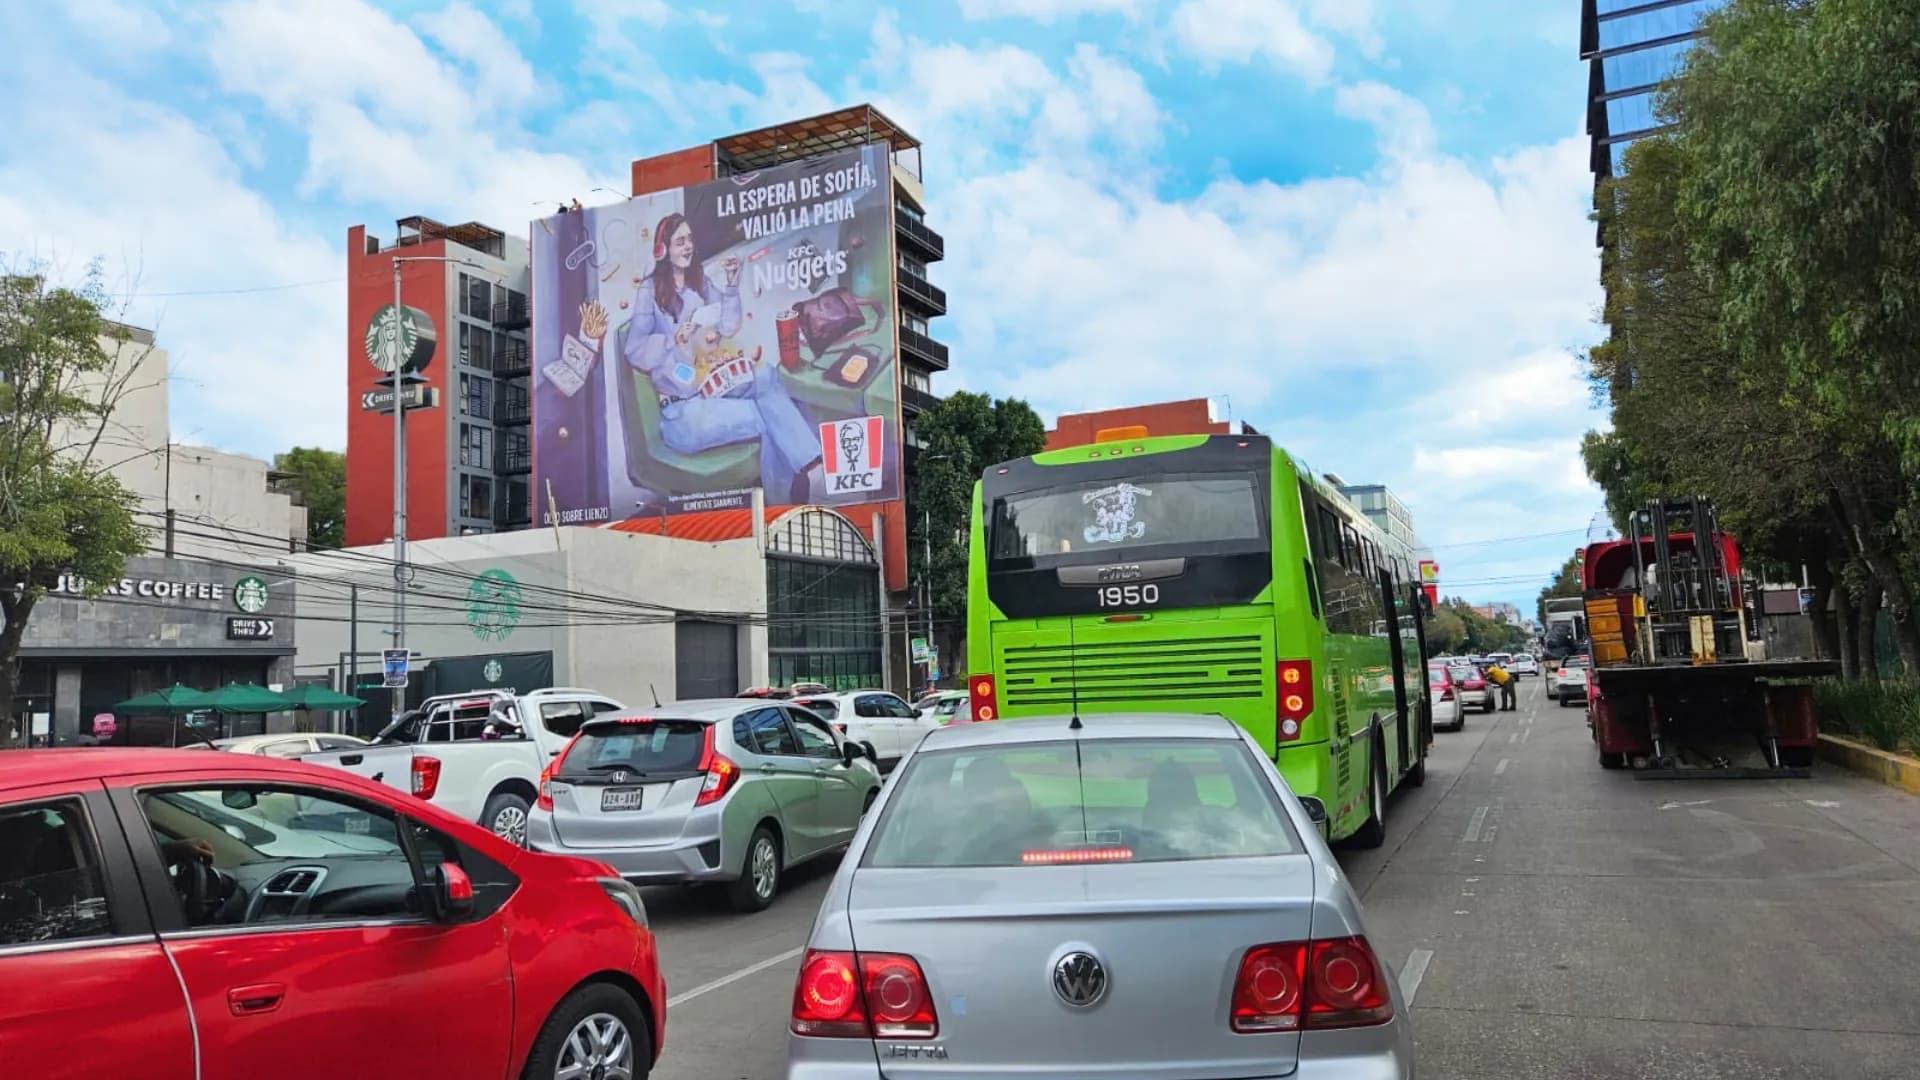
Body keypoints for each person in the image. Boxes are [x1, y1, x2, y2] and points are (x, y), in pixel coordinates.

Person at [579, 212, 825, 504]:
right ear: (663, 249)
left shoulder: (699, 280)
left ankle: (800, 481)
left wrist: (732, 286)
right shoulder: (650, 290)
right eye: (679, 241)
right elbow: (635, 350)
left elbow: (729, 324)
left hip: (708, 388)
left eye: (690, 240)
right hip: (682, 413)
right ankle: (798, 487)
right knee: (770, 416)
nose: (687, 247)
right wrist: (673, 340)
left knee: (768, 376)